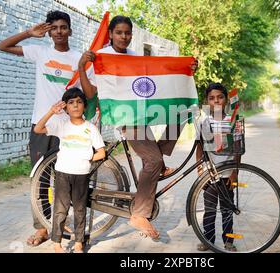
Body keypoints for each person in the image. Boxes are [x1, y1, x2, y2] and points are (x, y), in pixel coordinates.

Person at [77, 15, 197, 239]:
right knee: (153, 161)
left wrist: (186, 71)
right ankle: (139, 214)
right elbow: (91, 93)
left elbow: (160, 76)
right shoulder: (102, 57)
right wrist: (82, 67)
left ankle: (157, 166)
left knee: (180, 112)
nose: (124, 37)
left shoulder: (136, 56)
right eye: (119, 32)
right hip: (125, 117)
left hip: (143, 114)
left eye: (128, 33)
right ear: (111, 34)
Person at [0, 10, 95, 247]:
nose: (59, 32)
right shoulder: (40, 52)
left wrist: (82, 67)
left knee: (68, 179)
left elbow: (90, 94)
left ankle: (67, 228)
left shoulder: (79, 59)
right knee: (39, 180)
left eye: (63, 27)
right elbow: (2, 46)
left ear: (70, 30)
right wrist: (29, 33)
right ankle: (42, 227)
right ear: (49, 32)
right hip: (42, 126)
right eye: (54, 28)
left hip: (70, 128)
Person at [34, 87, 106, 253]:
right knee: (60, 209)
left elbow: (101, 153)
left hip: (82, 174)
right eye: (71, 102)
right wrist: (51, 112)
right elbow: (38, 129)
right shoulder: (61, 125)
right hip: (63, 173)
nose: (75, 105)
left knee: (80, 209)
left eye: (79, 102)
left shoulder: (90, 128)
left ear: (84, 107)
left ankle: (79, 242)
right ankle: (57, 244)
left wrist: (86, 158)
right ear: (65, 107)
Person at [196, 83, 239, 252]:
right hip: (208, 172)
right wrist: (199, 168)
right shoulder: (203, 122)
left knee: (228, 208)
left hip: (227, 172)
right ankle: (208, 239)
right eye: (212, 98)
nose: (216, 101)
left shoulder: (233, 121)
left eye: (220, 97)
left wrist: (235, 172)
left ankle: (229, 241)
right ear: (207, 101)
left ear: (226, 99)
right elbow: (199, 147)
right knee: (210, 209)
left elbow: (237, 149)